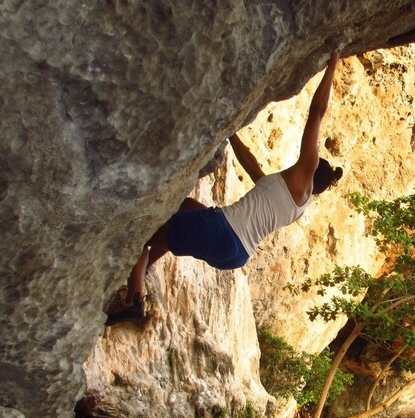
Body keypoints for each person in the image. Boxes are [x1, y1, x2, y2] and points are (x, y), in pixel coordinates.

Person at [106, 50, 343, 326]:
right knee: (184, 208)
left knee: (141, 231)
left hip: (222, 232)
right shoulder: (294, 202)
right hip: (235, 253)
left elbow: (317, 113)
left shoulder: (305, 173)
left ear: (312, 170)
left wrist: (333, 63)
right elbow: (253, 168)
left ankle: (133, 300)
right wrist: (231, 132)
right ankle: (144, 269)